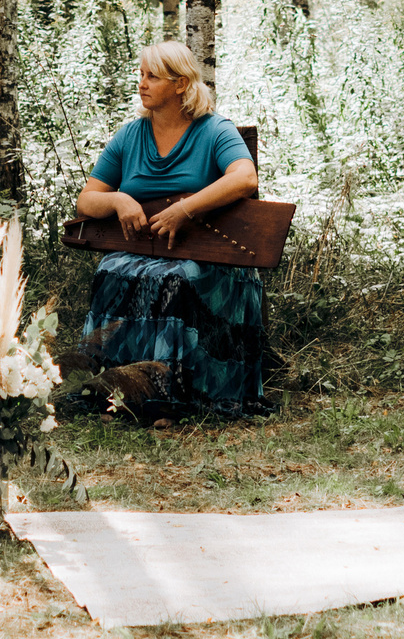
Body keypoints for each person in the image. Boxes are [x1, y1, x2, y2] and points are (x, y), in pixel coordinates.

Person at [71, 40, 265, 417]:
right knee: (110, 271)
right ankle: (115, 389)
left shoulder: (214, 130)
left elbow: (244, 177)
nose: (141, 83)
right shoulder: (130, 136)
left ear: (180, 84)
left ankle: (173, 393)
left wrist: (186, 209)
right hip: (144, 251)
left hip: (209, 255)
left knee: (176, 278)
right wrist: (118, 200)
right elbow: (87, 199)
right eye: (141, 75)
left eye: (153, 77)